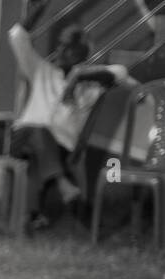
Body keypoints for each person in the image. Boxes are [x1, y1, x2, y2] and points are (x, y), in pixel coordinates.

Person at [8, 0, 133, 231]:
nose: (61, 51)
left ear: (84, 52)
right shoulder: (42, 72)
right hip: (22, 139)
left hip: (62, 149)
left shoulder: (91, 87)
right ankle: (66, 188)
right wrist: (41, 6)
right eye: (60, 45)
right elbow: (17, 36)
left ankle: (34, 216)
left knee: (41, 152)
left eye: (69, 47)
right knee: (38, 131)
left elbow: (122, 74)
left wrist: (80, 75)